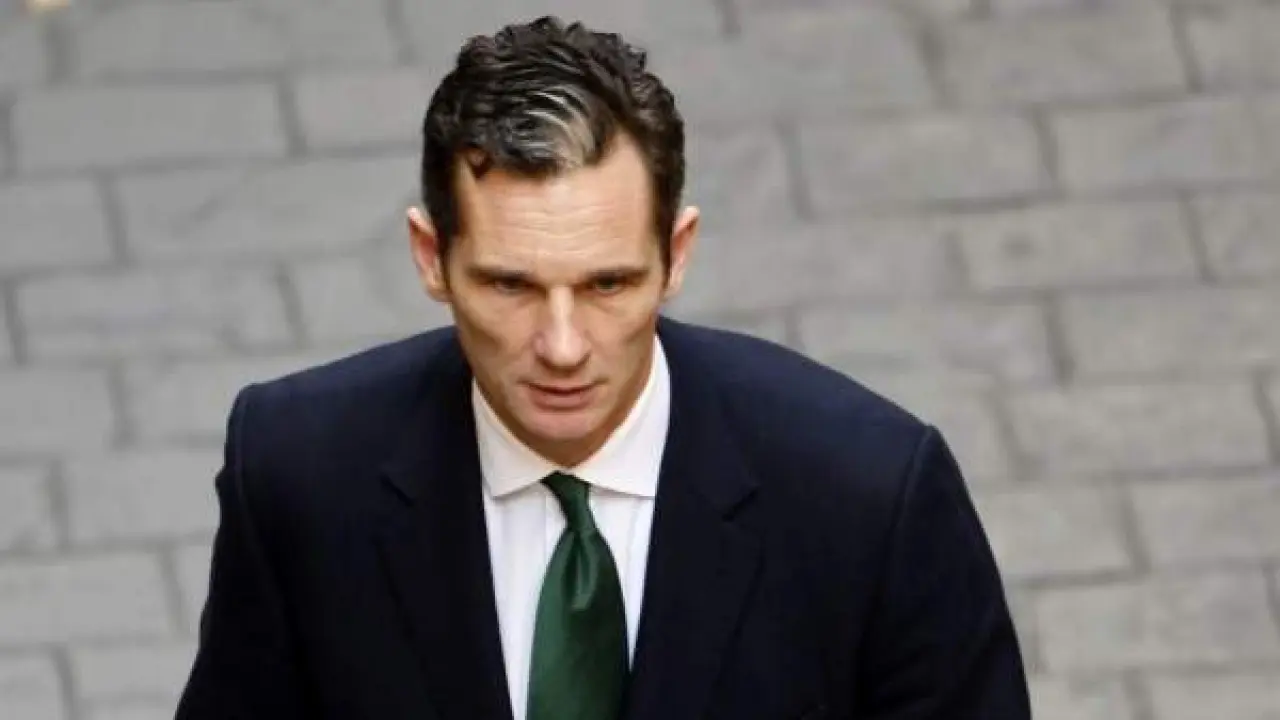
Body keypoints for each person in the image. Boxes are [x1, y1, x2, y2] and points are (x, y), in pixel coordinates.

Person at [175, 15, 1031, 720]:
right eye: (510, 285)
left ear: (677, 253)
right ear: (431, 257)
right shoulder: (298, 473)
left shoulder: (869, 498)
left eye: (608, 284)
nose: (562, 346)